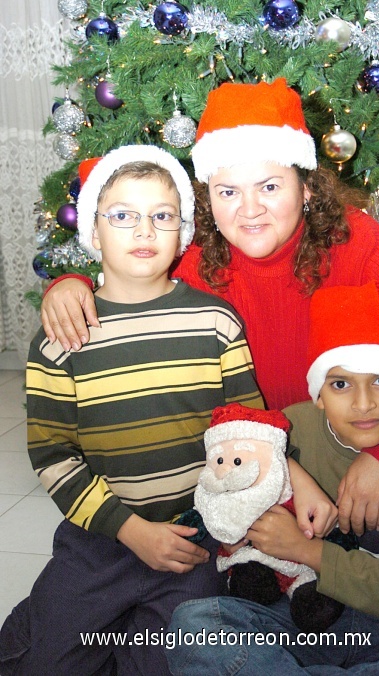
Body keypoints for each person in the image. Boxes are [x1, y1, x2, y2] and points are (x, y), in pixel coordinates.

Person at [39, 78, 379, 536]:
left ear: (307, 188)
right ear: (208, 201)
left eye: (270, 186)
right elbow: (130, 265)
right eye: (228, 192)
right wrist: (70, 283)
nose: (250, 210)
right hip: (262, 472)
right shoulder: (199, 261)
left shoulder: (361, 246)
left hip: (358, 451)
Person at [0, 144, 270, 676]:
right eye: (122, 216)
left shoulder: (215, 321)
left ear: (182, 231)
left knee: (179, 661)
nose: (144, 232)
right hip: (99, 538)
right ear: (93, 233)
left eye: (161, 217)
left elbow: (246, 427)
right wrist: (127, 530)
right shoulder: (61, 339)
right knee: (45, 661)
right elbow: (53, 454)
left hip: (192, 539)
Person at [165, 281, 379, 675]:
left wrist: (307, 550)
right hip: (295, 614)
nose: (363, 402)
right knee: (194, 628)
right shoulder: (290, 430)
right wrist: (293, 471)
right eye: (340, 384)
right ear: (318, 394)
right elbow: (226, 464)